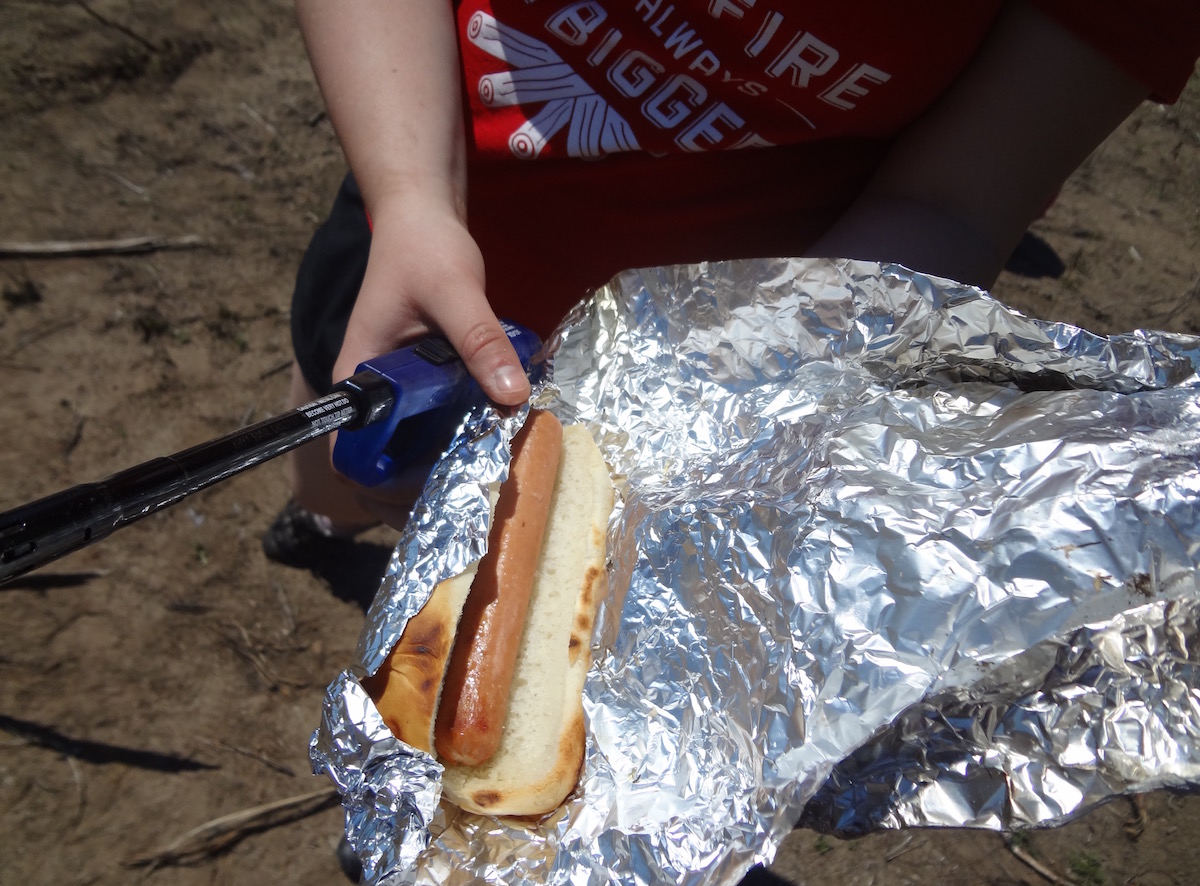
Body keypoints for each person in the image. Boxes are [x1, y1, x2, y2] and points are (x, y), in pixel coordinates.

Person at [261, 0, 1198, 565]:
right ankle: (324, 529)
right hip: (421, 234)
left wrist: (746, 380)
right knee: (338, 483)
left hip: (740, 351)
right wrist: (410, 195)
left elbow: (955, 200)